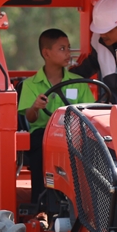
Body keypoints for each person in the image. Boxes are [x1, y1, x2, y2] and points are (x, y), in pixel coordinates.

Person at [18, 28, 93, 203]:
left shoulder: (79, 83)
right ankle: (40, 203)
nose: (68, 53)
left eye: (68, 47)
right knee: (38, 151)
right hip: (43, 132)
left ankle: (84, 202)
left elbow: (91, 113)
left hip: (73, 133)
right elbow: (30, 118)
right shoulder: (30, 85)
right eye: (62, 49)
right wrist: (35, 107)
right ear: (46, 53)